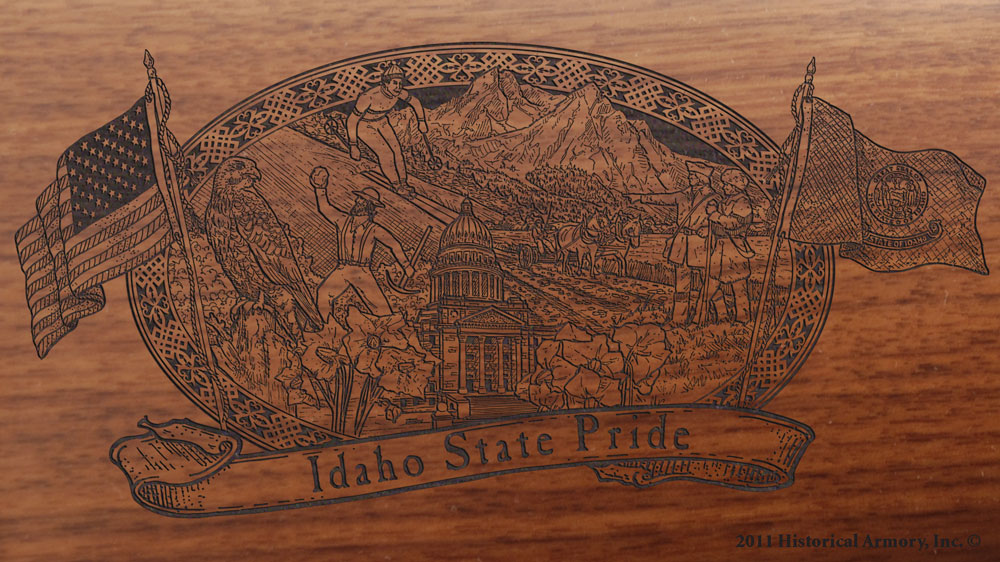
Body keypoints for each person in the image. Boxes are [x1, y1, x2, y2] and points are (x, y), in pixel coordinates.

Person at [312, 167, 414, 319]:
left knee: (382, 310)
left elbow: (394, 245)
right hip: (342, 269)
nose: (356, 201)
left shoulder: (374, 229)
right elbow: (325, 208)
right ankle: (328, 327)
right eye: (358, 198)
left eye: (361, 199)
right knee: (323, 294)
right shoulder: (342, 220)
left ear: (369, 205)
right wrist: (320, 188)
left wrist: (407, 266)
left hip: (362, 272)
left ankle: (390, 328)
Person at [630, 161, 719, 324]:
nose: (690, 178)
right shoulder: (683, 194)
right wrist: (641, 198)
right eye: (690, 175)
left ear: (701, 178)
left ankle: (704, 319)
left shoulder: (713, 197)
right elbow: (663, 198)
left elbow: (722, 221)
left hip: (701, 244)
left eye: (693, 175)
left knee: (706, 285)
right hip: (681, 245)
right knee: (681, 286)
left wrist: (709, 230)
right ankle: (678, 319)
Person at [347, 62, 427, 199]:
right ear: (385, 84)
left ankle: (404, 183)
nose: (398, 87)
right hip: (364, 125)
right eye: (394, 83)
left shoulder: (399, 93)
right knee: (386, 153)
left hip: (382, 121)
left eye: (400, 83)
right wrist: (353, 145)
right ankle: (395, 184)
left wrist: (422, 121)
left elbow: (415, 102)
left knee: (397, 151)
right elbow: (352, 120)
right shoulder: (368, 97)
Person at [705, 168, 755, 323]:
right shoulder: (725, 201)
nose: (724, 187)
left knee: (738, 287)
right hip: (720, 247)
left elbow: (733, 223)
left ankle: (743, 320)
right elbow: (719, 225)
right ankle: (723, 317)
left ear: (735, 186)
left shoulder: (743, 202)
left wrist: (713, 214)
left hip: (734, 248)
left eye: (726, 184)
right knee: (713, 284)